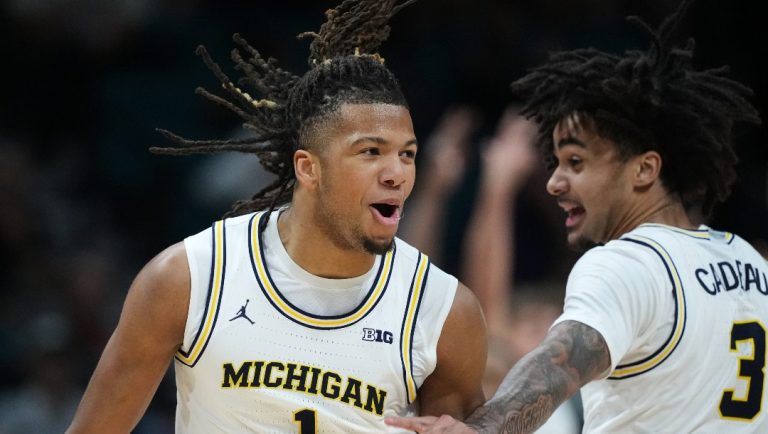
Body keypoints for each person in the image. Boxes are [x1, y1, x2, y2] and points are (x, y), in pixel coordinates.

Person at [66, 0, 487, 432]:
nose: (396, 173)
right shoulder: (189, 278)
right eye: (370, 152)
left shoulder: (444, 311)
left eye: (407, 155)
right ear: (309, 168)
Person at [386, 0, 765, 432]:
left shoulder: (628, 263)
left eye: (576, 162)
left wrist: (481, 428)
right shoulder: (749, 263)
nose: (554, 183)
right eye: (556, 163)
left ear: (644, 170)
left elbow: (558, 364)